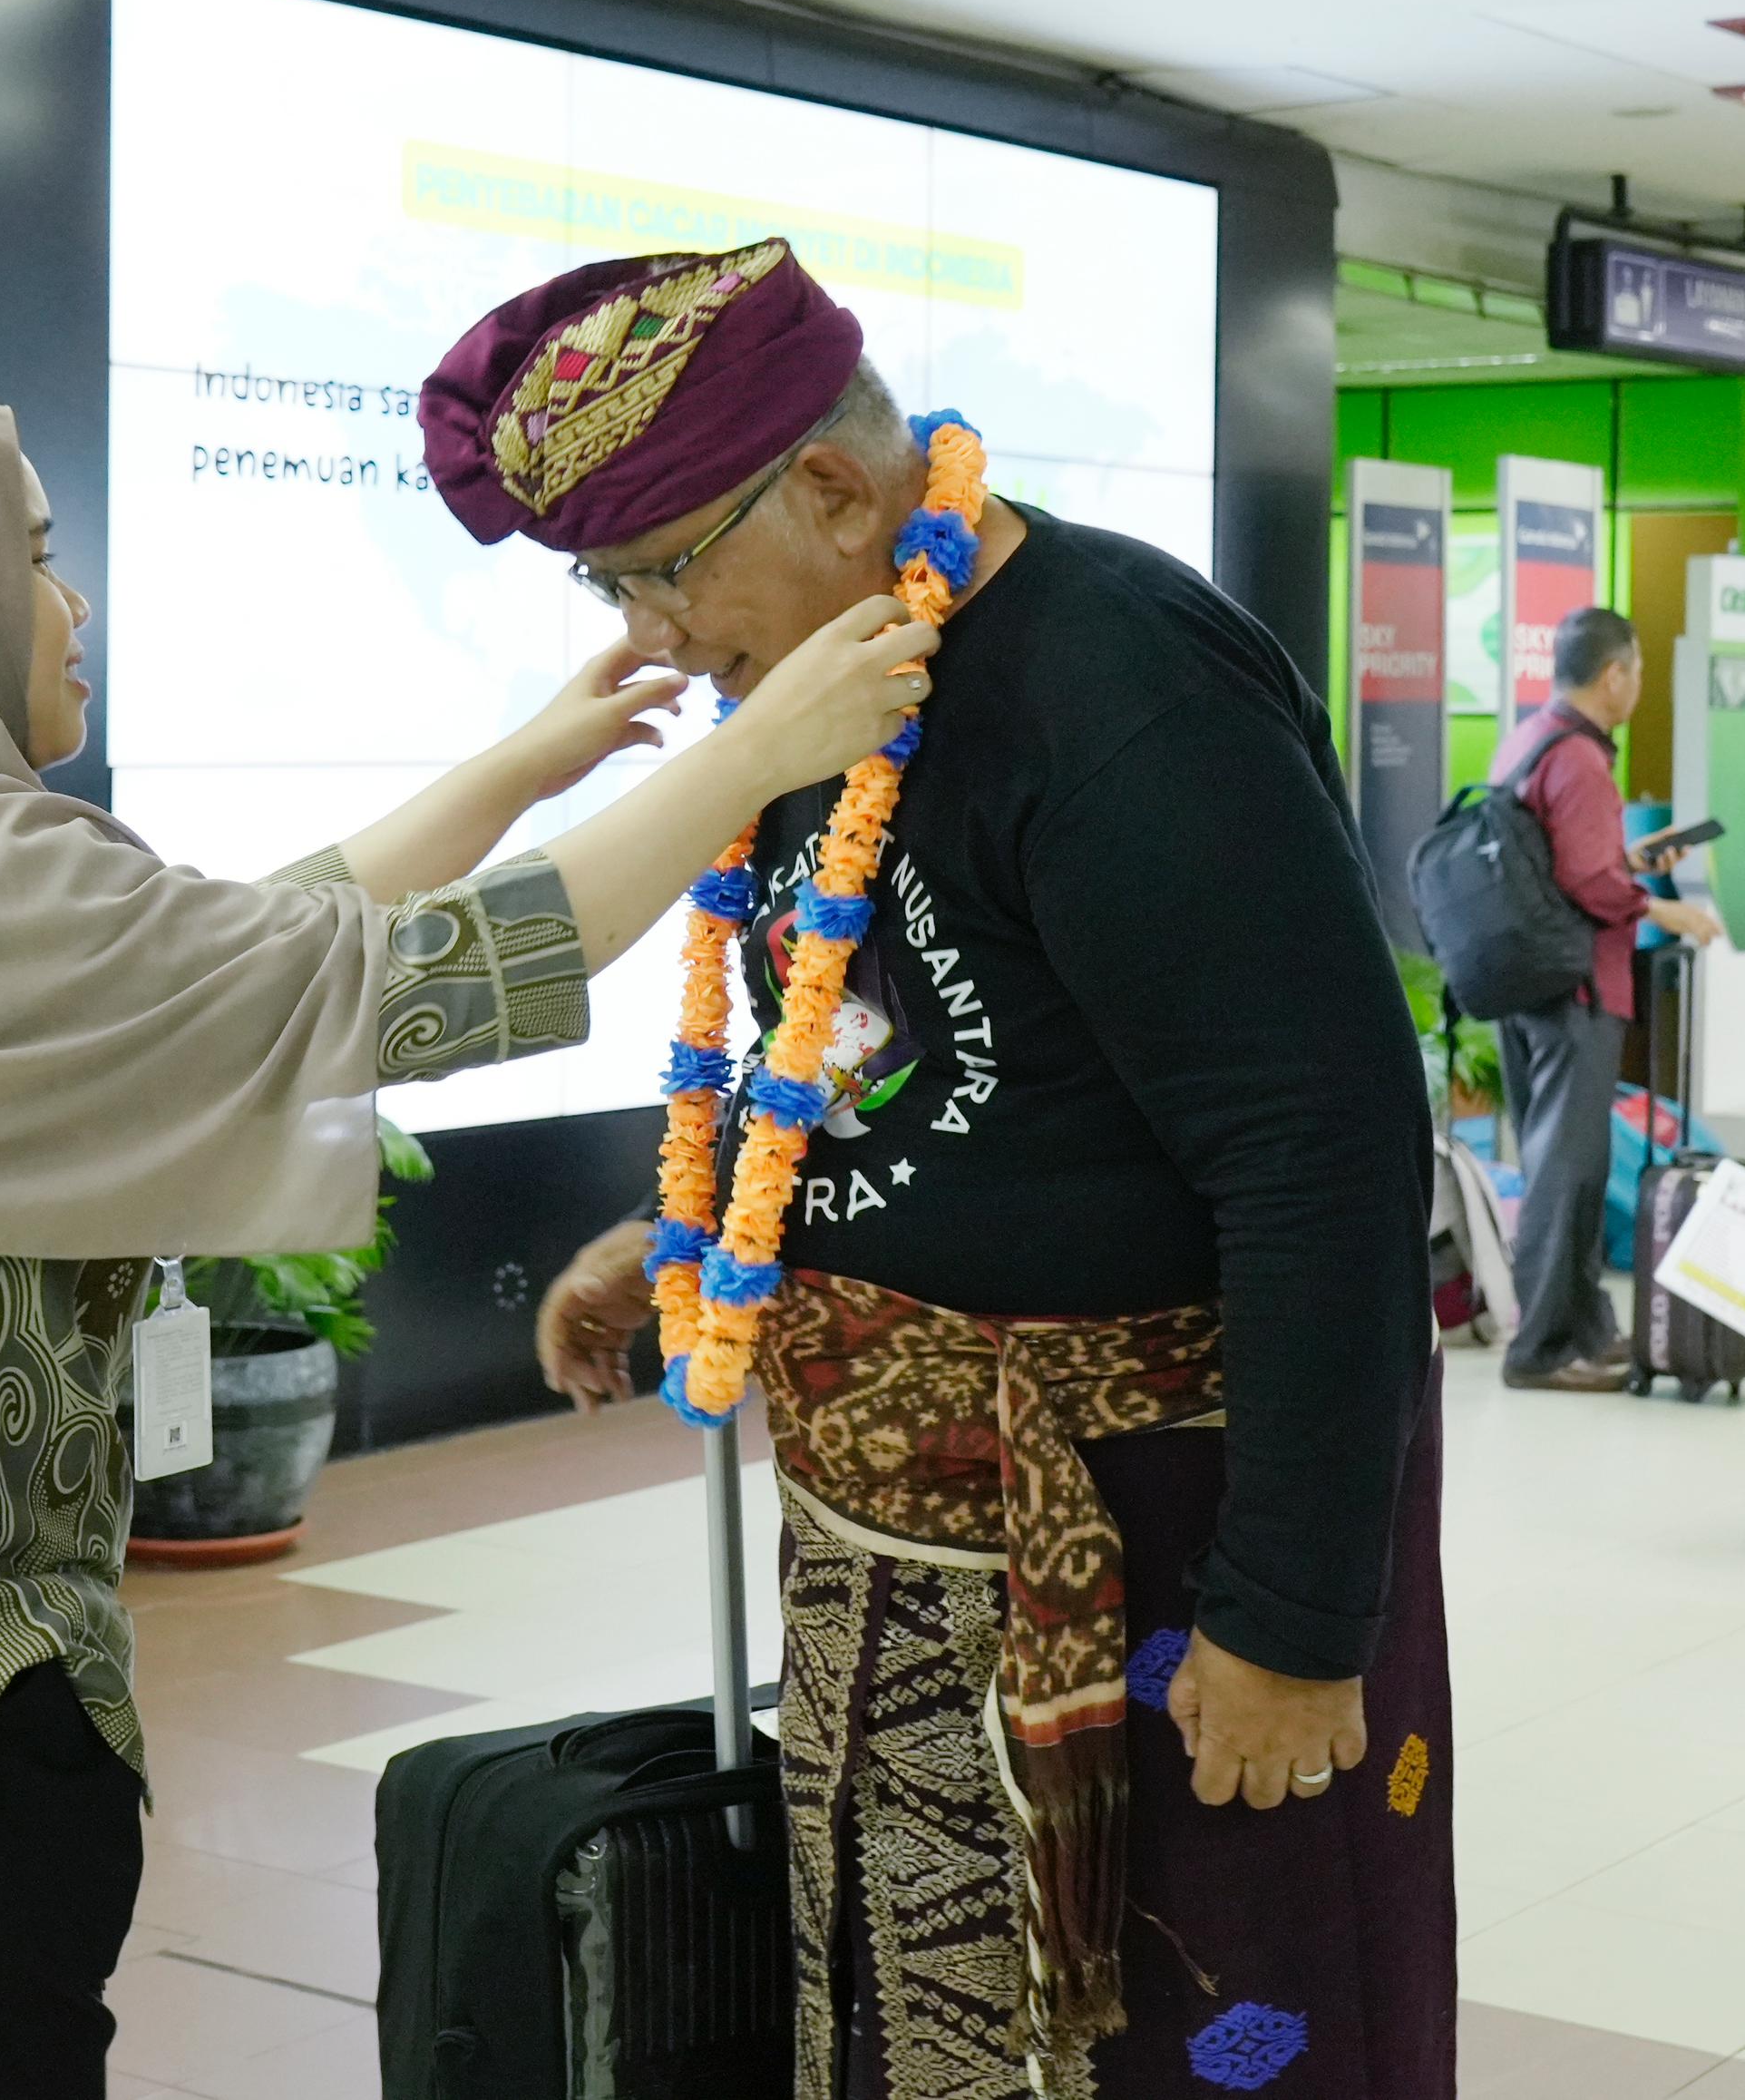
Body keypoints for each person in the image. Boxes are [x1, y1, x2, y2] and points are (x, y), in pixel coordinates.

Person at [0, 371, 931, 2100]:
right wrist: (755, 749)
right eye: (27, 558)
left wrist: (521, 765)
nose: (71, 606)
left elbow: (230, 957)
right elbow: (390, 982)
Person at [463, 241, 1450, 2097]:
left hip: (1166, 1541)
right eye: (612, 587)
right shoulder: (823, 687)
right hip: (896, 1562)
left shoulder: (1120, 678)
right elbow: (858, 1033)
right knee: (908, 2027)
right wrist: (689, 1220)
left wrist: (1293, 1615)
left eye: (663, 570)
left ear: (838, 491)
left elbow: (1322, 1155)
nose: (652, 634)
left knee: (1211, 2027)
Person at [1482, 609, 1723, 1392]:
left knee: (1557, 1161)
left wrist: (1627, 860)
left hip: (1526, 984)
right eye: (1639, 671)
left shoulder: (1527, 740)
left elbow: (1563, 863)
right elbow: (1589, 883)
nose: (1640, 686)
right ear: (1613, 674)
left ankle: (1584, 1327)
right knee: (1570, 1171)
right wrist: (1668, 910)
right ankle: (1543, 1349)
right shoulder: (1582, 759)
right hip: (1576, 991)